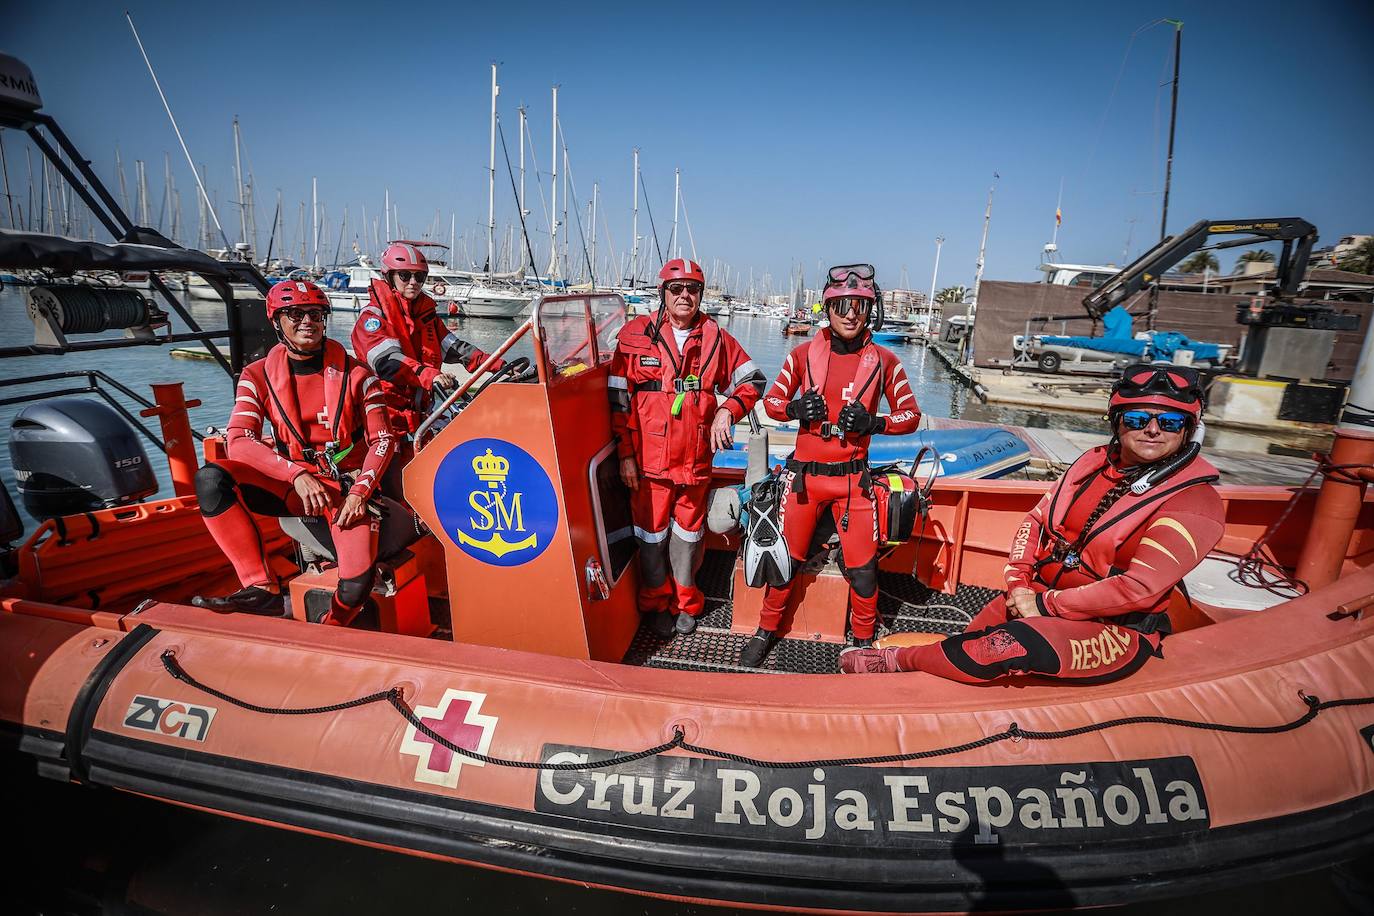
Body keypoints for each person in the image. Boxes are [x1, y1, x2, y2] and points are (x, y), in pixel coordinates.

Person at [841, 364, 1224, 682]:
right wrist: (1018, 582)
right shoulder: (1092, 463)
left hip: (1117, 630)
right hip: (1038, 595)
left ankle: (896, 661)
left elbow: (1138, 589)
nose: (1153, 429)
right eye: (1139, 418)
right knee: (975, 638)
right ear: (1117, 421)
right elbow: (1037, 520)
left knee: (1005, 646)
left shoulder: (1194, 501)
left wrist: (1045, 604)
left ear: (1189, 429)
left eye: (1170, 422)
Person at [741, 264, 921, 668]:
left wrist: (874, 423)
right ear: (828, 307)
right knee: (783, 562)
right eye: (841, 304)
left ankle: (861, 643)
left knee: (863, 571)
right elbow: (770, 404)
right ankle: (766, 630)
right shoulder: (802, 355)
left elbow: (911, 415)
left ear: (869, 310)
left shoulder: (886, 361)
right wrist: (794, 408)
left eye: (858, 305)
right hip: (804, 480)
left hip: (854, 484)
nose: (850, 312)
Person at [192, 281, 394, 622]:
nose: (307, 322)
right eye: (294, 314)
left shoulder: (359, 375)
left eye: (315, 314)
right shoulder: (255, 376)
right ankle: (261, 588)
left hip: (345, 490)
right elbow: (239, 439)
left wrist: (360, 493)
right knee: (211, 479)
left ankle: (332, 629)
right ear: (276, 321)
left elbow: (383, 440)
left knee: (356, 586)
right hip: (292, 485)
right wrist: (296, 474)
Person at [609, 258, 766, 636]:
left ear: (700, 295)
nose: (684, 296)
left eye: (692, 290)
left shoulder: (718, 339)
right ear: (663, 294)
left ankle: (686, 603)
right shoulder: (636, 336)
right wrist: (626, 455)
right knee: (651, 535)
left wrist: (727, 410)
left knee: (689, 535)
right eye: (676, 289)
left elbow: (755, 381)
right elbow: (617, 400)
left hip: (695, 460)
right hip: (649, 461)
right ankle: (655, 603)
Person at [351, 242, 503, 496]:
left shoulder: (426, 316)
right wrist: (429, 375)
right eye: (405, 275)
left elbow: (457, 349)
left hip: (421, 419)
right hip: (386, 422)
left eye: (420, 276)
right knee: (396, 492)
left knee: (434, 480)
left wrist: (499, 364)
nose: (413, 282)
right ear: (388, 276)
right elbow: (387, 363)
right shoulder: (372, 319)